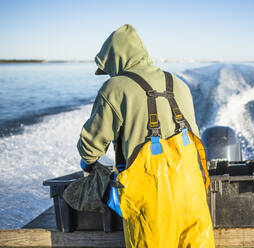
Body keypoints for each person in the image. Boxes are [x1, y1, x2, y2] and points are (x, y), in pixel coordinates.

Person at [77, 24, 215, 247]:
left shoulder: (114, 87)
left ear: (115, 59)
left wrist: (88, 163)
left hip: (153, 203)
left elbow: (90, 146)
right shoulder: (178, 83)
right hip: (193, 194)